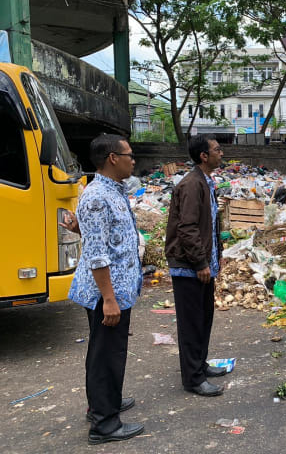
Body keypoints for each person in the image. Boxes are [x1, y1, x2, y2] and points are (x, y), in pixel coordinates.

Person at [67, 134, 144, 445]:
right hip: (107, 293)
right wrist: (109, 299)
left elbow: (101, 235)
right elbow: (98, 255)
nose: (133, 160)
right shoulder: (99, 195)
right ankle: (105, 424)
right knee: (107, 356)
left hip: (115, 290)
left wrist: (80, 227)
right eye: (129, 154)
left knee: (103, 353)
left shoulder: (111, 191)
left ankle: (103, 402)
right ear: (113, 158)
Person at [165, 134, 227, 396]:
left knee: (204, 319)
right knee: (191, 324)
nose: (221, 153)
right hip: (189, 267)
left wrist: (218, 253)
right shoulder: (191, 184)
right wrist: (200, 262)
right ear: (204, 155)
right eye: (216, 149)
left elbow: (210, 224)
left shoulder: (205, 181)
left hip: (203, 264)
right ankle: (192, 378)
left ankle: (200, 366)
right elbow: (188, 228)